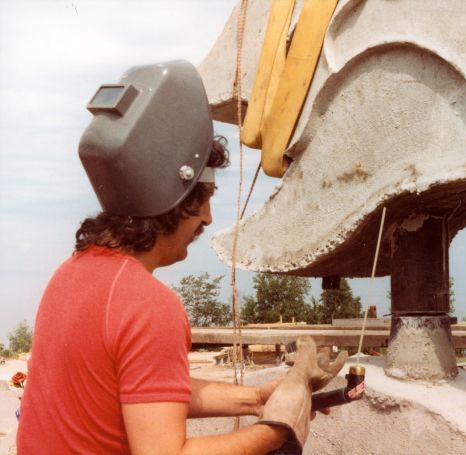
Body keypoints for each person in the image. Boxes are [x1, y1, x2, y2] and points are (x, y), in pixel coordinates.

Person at [17, 60, 345, 454]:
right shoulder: (148, 305)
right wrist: (278, 428)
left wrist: (258, 399)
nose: (207, 216)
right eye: (203, 199)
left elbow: (144, 388)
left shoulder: (70, 275)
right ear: (174, 197)